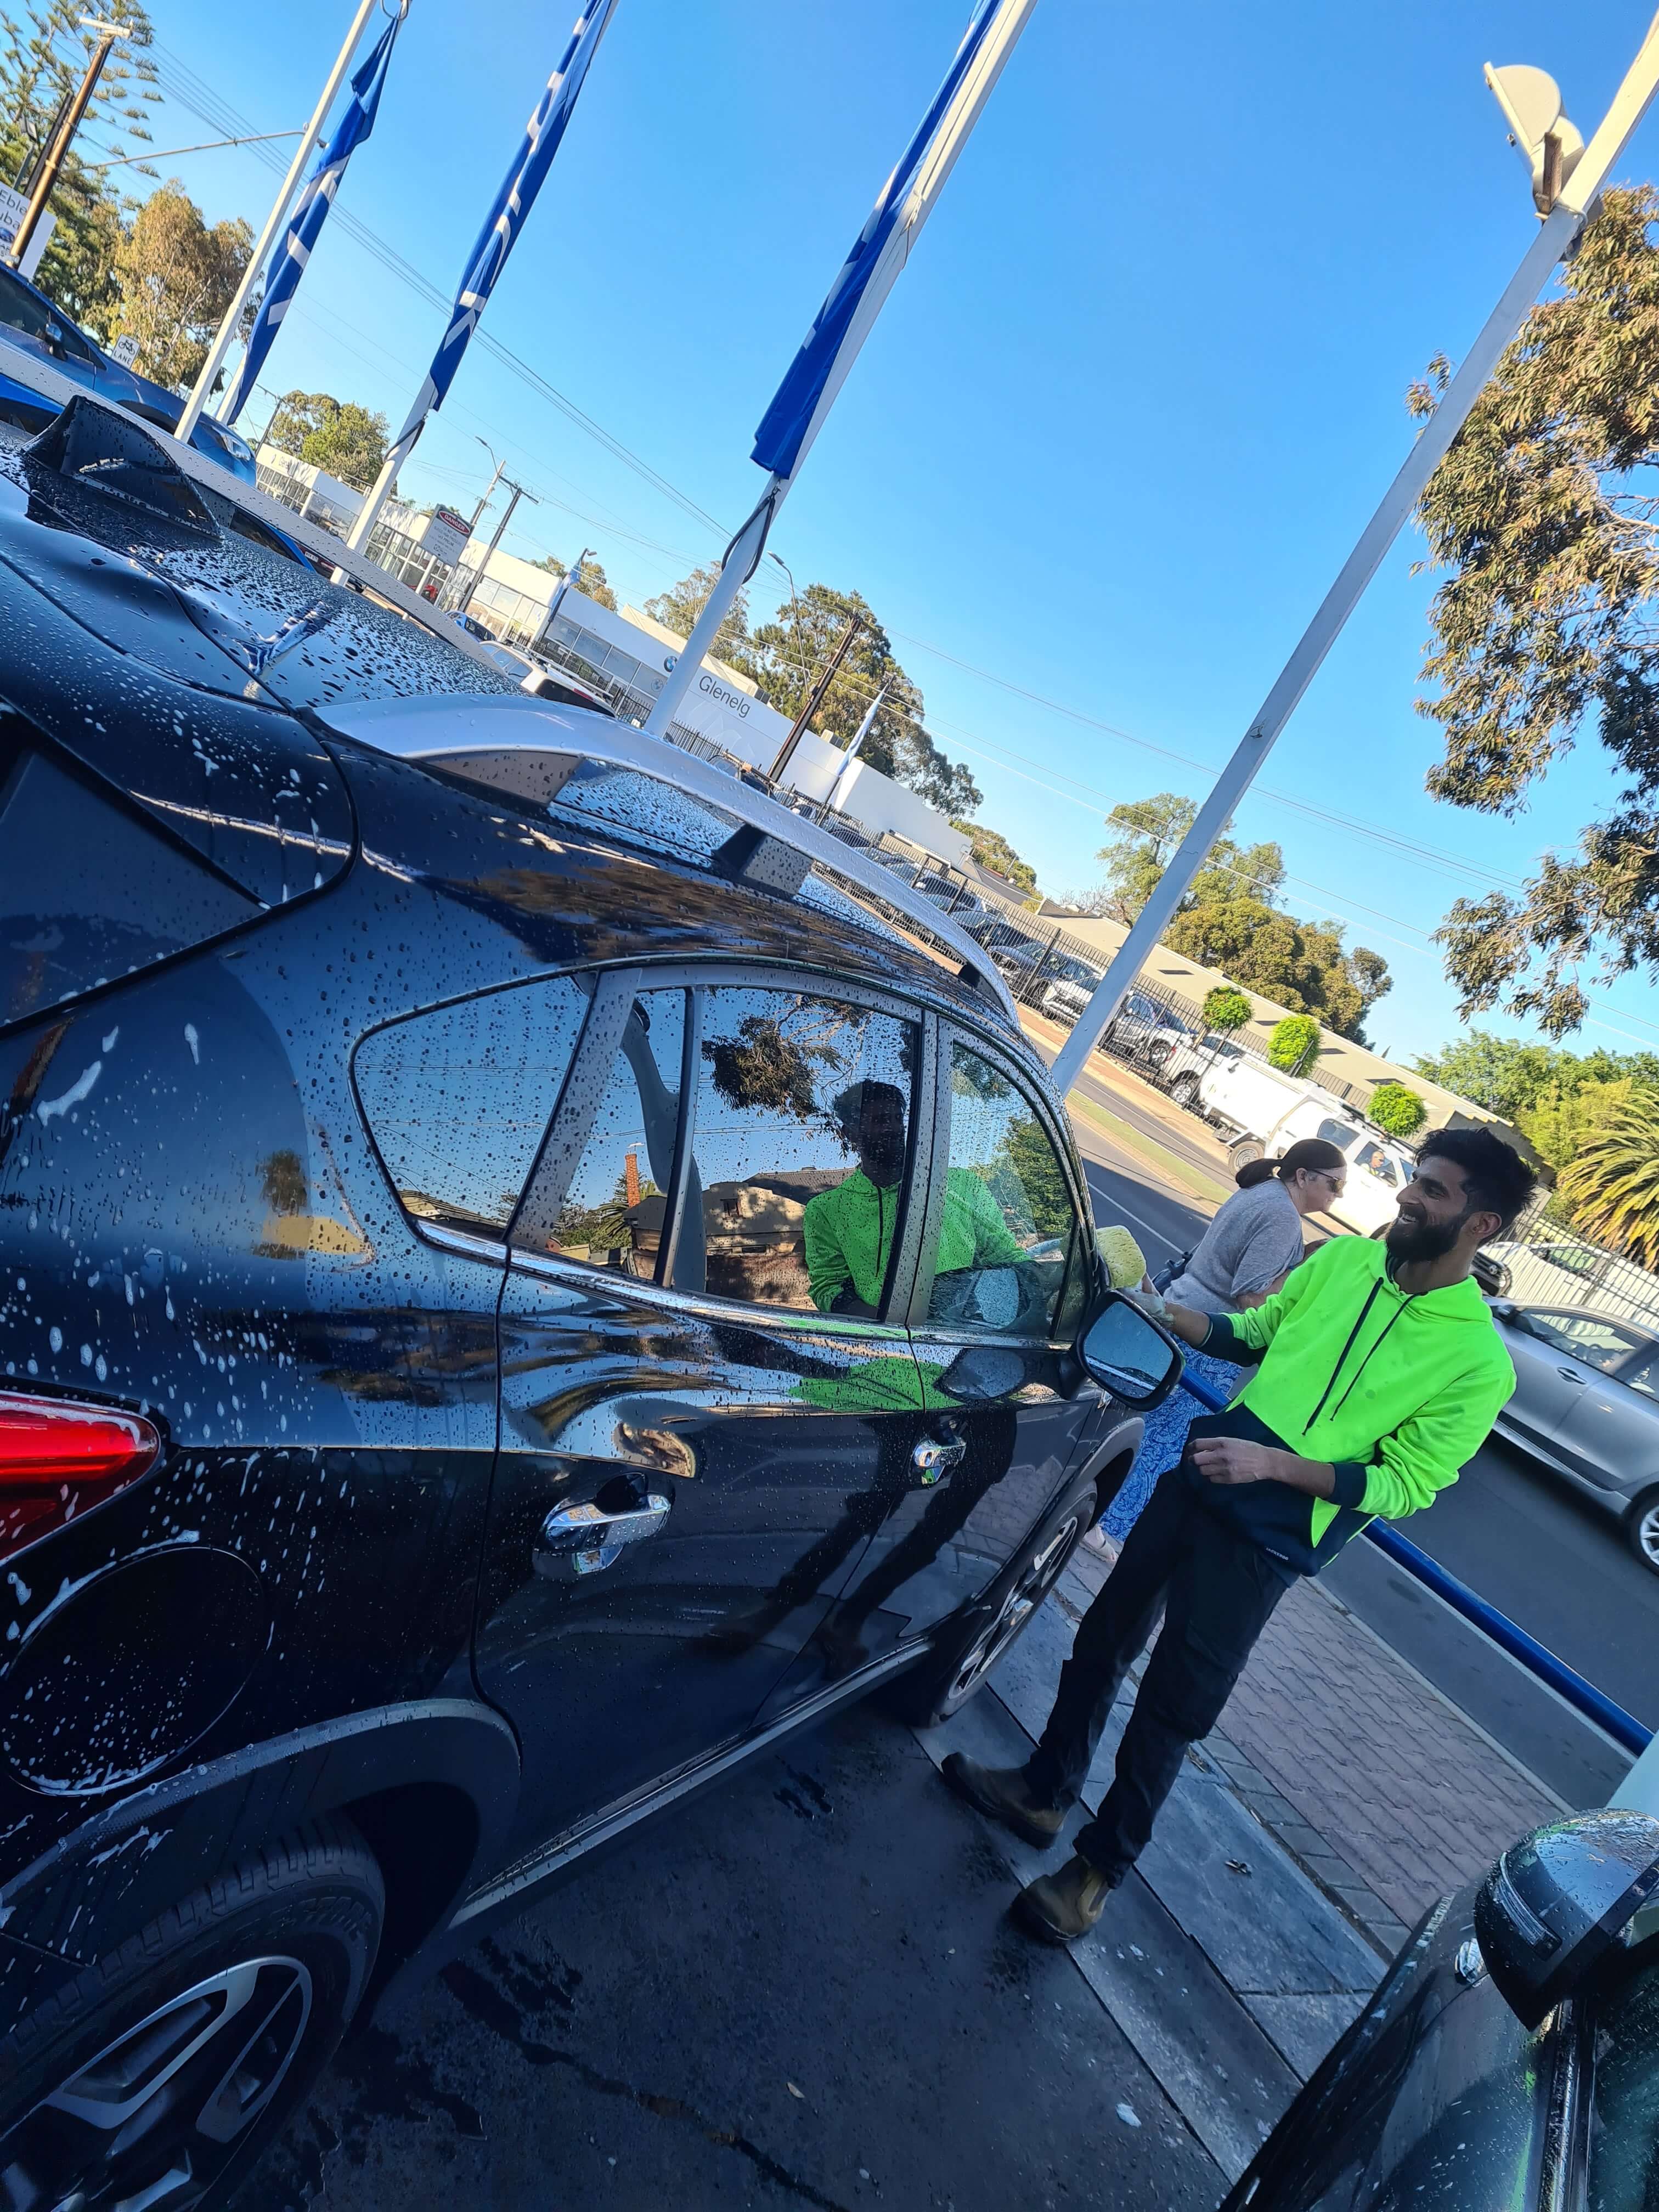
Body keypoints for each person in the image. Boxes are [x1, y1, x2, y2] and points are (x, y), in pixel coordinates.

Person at [941, 1126, 1536, 1945]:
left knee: (1172, 1709)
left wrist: (1274, 1466)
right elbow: (1255, 1334)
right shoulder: (1344, 1262)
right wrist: (1166, 1315)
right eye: (1416, 1180)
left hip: (1271, 1538)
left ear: (1483, 1224)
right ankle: (1044, 1792)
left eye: (1434, 1190)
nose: (1408, 1194)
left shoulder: (1478, 1360)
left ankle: (1095, 1872)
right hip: (1202, 1477)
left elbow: (1407, 1484)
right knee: (1101, 1641)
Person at [1088, 1139, 1348, 1552]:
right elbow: (1251, 1298)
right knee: (1161, 1439)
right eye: (1335, 1185)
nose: (1338, 1196)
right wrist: (1303, 1275)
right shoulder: (1282, 1218)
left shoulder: (1260, 1192)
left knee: (1135, 1422)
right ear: (1304, 1176)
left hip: (1183, 1313)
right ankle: (1100, 1522)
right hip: (1205, 1340)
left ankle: (1091, 1508)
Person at [803, 1079, 1025, 1316]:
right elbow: (829, 1287)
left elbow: (1004, 1255)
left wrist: (1044, 1277)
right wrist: (890, 1325)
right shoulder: (826, 1210)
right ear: (850, 1134)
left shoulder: (962, 1185)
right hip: (887, 1345)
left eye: (898, 1118)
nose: (895, 1128)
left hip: (964, 1334)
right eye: (880, 1121)